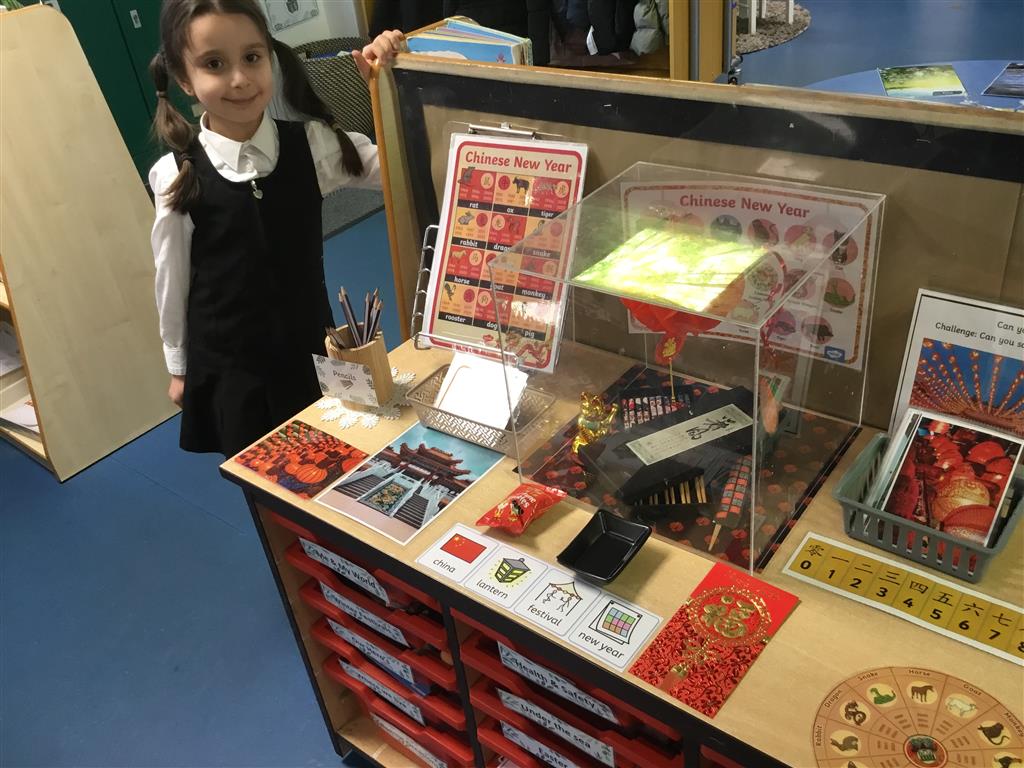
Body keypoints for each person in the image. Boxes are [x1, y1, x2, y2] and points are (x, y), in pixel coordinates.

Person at [148, 0, 403, 457]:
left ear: (270, 55)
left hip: (312, 353)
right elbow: (172, 279)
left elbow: (400, 168)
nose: (239, 78)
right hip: (232, 370)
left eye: (251, 57)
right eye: (214, 64)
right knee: (262, 478)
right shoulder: (176, 174)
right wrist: (178, 367)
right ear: (184, 78)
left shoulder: (312, 144)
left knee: (336, 461)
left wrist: (390, 85)